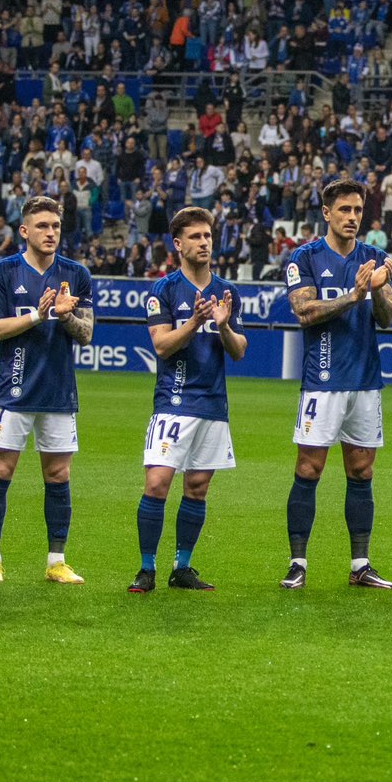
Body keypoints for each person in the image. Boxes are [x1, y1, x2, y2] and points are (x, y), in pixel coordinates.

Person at [281, 179, 392, 589]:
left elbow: (387, 317)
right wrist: (354, 294)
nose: (352, 217)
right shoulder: (305, 257)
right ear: (327, 214)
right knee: (309, 467)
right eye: (344, 210)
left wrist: (378, 291)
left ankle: (360, 565)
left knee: (362, 471)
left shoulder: (374, 257)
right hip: (323, 381)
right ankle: (298, 564)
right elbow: (304, 311)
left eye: (357, 210)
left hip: (365, 380)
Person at [0, 195, 94, 585]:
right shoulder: (4, 271)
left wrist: (66, 316)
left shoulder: (75, 274)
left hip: (59, 392)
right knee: (1, 469)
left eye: (56, 226)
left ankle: (56, 561)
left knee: (58, 474)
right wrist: (37, 315)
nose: (51, 233)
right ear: (24, 231)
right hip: (13, 390)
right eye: (42, 226)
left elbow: (87, 334)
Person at [130, 206, 245, 593]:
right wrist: (195, 323)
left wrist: (225, 325)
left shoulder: (227, 292)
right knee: (157, 483)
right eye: (195, 237)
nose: (204, 243)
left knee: (197, 488)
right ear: (178, 244)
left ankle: (182, 568)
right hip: (174, 402)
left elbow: (239, 350)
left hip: (213, 404)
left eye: (208, 236)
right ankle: (147, 568)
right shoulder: (163, 290)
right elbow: (161, 346)